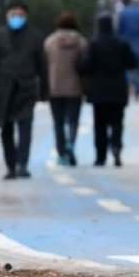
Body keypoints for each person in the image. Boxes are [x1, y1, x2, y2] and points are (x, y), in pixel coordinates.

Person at [0, 2, 48, 179]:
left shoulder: (35, 36)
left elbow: (42, 65)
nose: (16, 18)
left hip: (26, 89)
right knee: (6, 130)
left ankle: (22, 164)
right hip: (3, 90)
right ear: (7, 16)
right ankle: (11, 165)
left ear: (25, 16)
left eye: (20, 15)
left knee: (25, 127)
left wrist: (44, 92)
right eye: (13, 14)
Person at [80, 13, 138, 167]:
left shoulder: (94, 45)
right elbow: (132, 63)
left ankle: (100, 157)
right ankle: (116, 147)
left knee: (100, 125)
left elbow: (86, 66)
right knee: (117, 123)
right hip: (118, 90)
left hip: (98, 91)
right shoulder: (122, 44)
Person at [44, 12, 88, 167]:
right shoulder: (81, 43)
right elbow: (86, 64)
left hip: (54, 87)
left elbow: (44, 64)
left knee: (58, 122)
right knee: (73, 120)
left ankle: (61, 151)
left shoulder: (50, 42)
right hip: (75, 88)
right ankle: (71, 145)